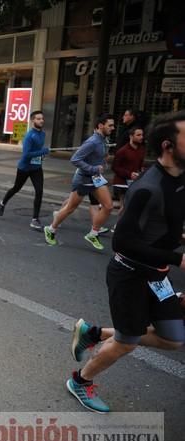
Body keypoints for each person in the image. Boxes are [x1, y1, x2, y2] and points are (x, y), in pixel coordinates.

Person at [66, 110, 185, 413]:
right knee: (127, 342)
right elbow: (123, 242)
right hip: (129, 275)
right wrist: (178, 258)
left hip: (157, 275)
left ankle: (93, 333)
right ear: (168, 146)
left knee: (173, 338)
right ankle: (80, 380)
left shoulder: (180, 179)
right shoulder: (148, 188)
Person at [44, 113, 115, 250]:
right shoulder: (93, 141)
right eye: (110, 125)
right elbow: (75, 159)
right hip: (84, 179)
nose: (113, 128)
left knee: (109, 206)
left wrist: (103, 161)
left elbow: (97, 157)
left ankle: (93, 233)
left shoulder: (103, 140)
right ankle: (51, 229)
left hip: (96, 179)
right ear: (101, 125)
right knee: (70, 208)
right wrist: (93, 168)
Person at [0, 110, 49, 230]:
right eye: (38, 119)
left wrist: (42, 156)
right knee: (16, 188)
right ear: (32, 121)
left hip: (36, 167)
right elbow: (26, 154)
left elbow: (37, 151)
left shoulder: (43, 134)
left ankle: (35, 219)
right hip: (25, 167)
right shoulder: (29, 136)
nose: (41, 121)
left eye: (42, 119)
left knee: (39, 191)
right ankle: (2, 203)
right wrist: (43, 152)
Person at [111, 126, 145, 208]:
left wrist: (142, 171)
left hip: (135, 182)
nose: (141, 137)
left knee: (130, 208)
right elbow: (115, 167)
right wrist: (129, 174)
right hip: (122, 183)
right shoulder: (122, 151)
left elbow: (140, 166)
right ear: (131, 136)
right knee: (125, 208)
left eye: (142, 135)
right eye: (138, 135)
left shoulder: (141, 149)